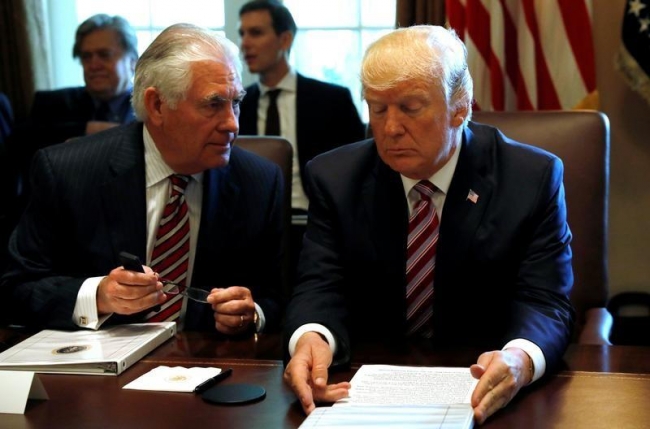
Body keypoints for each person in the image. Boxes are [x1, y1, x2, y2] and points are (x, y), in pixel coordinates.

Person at [282, 25, 575, 425]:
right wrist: (312, 337)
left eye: (410, 108)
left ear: (460, 107)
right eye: (378, 109)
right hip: (364, 391)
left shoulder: (530, 178)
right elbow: (320, 284)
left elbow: (545, 301)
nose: (390, 128)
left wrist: (520, 358)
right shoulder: (335, 178)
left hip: (484, 389)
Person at [0, 23, 284, 337]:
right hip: (98, 359)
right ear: (157, 105)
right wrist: (98, 296)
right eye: (213, 104)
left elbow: (281, 294)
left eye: (236, 103)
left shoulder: (259, 181)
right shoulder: (68, 172)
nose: (232, 124)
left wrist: (252, 313)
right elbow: (14, 287)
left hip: (208, 360)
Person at [237, 0, 366, 213]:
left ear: (285, 39)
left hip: (315, 215)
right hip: (254, 218)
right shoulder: (237, 104)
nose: (245, 43)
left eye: (256, 33)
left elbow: (359, 168)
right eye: (242, 34)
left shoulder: (333, 100)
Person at [10, 14, 139, 205]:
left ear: (133, 62)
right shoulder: (51, 103)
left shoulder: (152, 109)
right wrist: (87, 129)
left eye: (104, 55)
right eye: (86, 57)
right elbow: (19, 143)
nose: (94, 65)